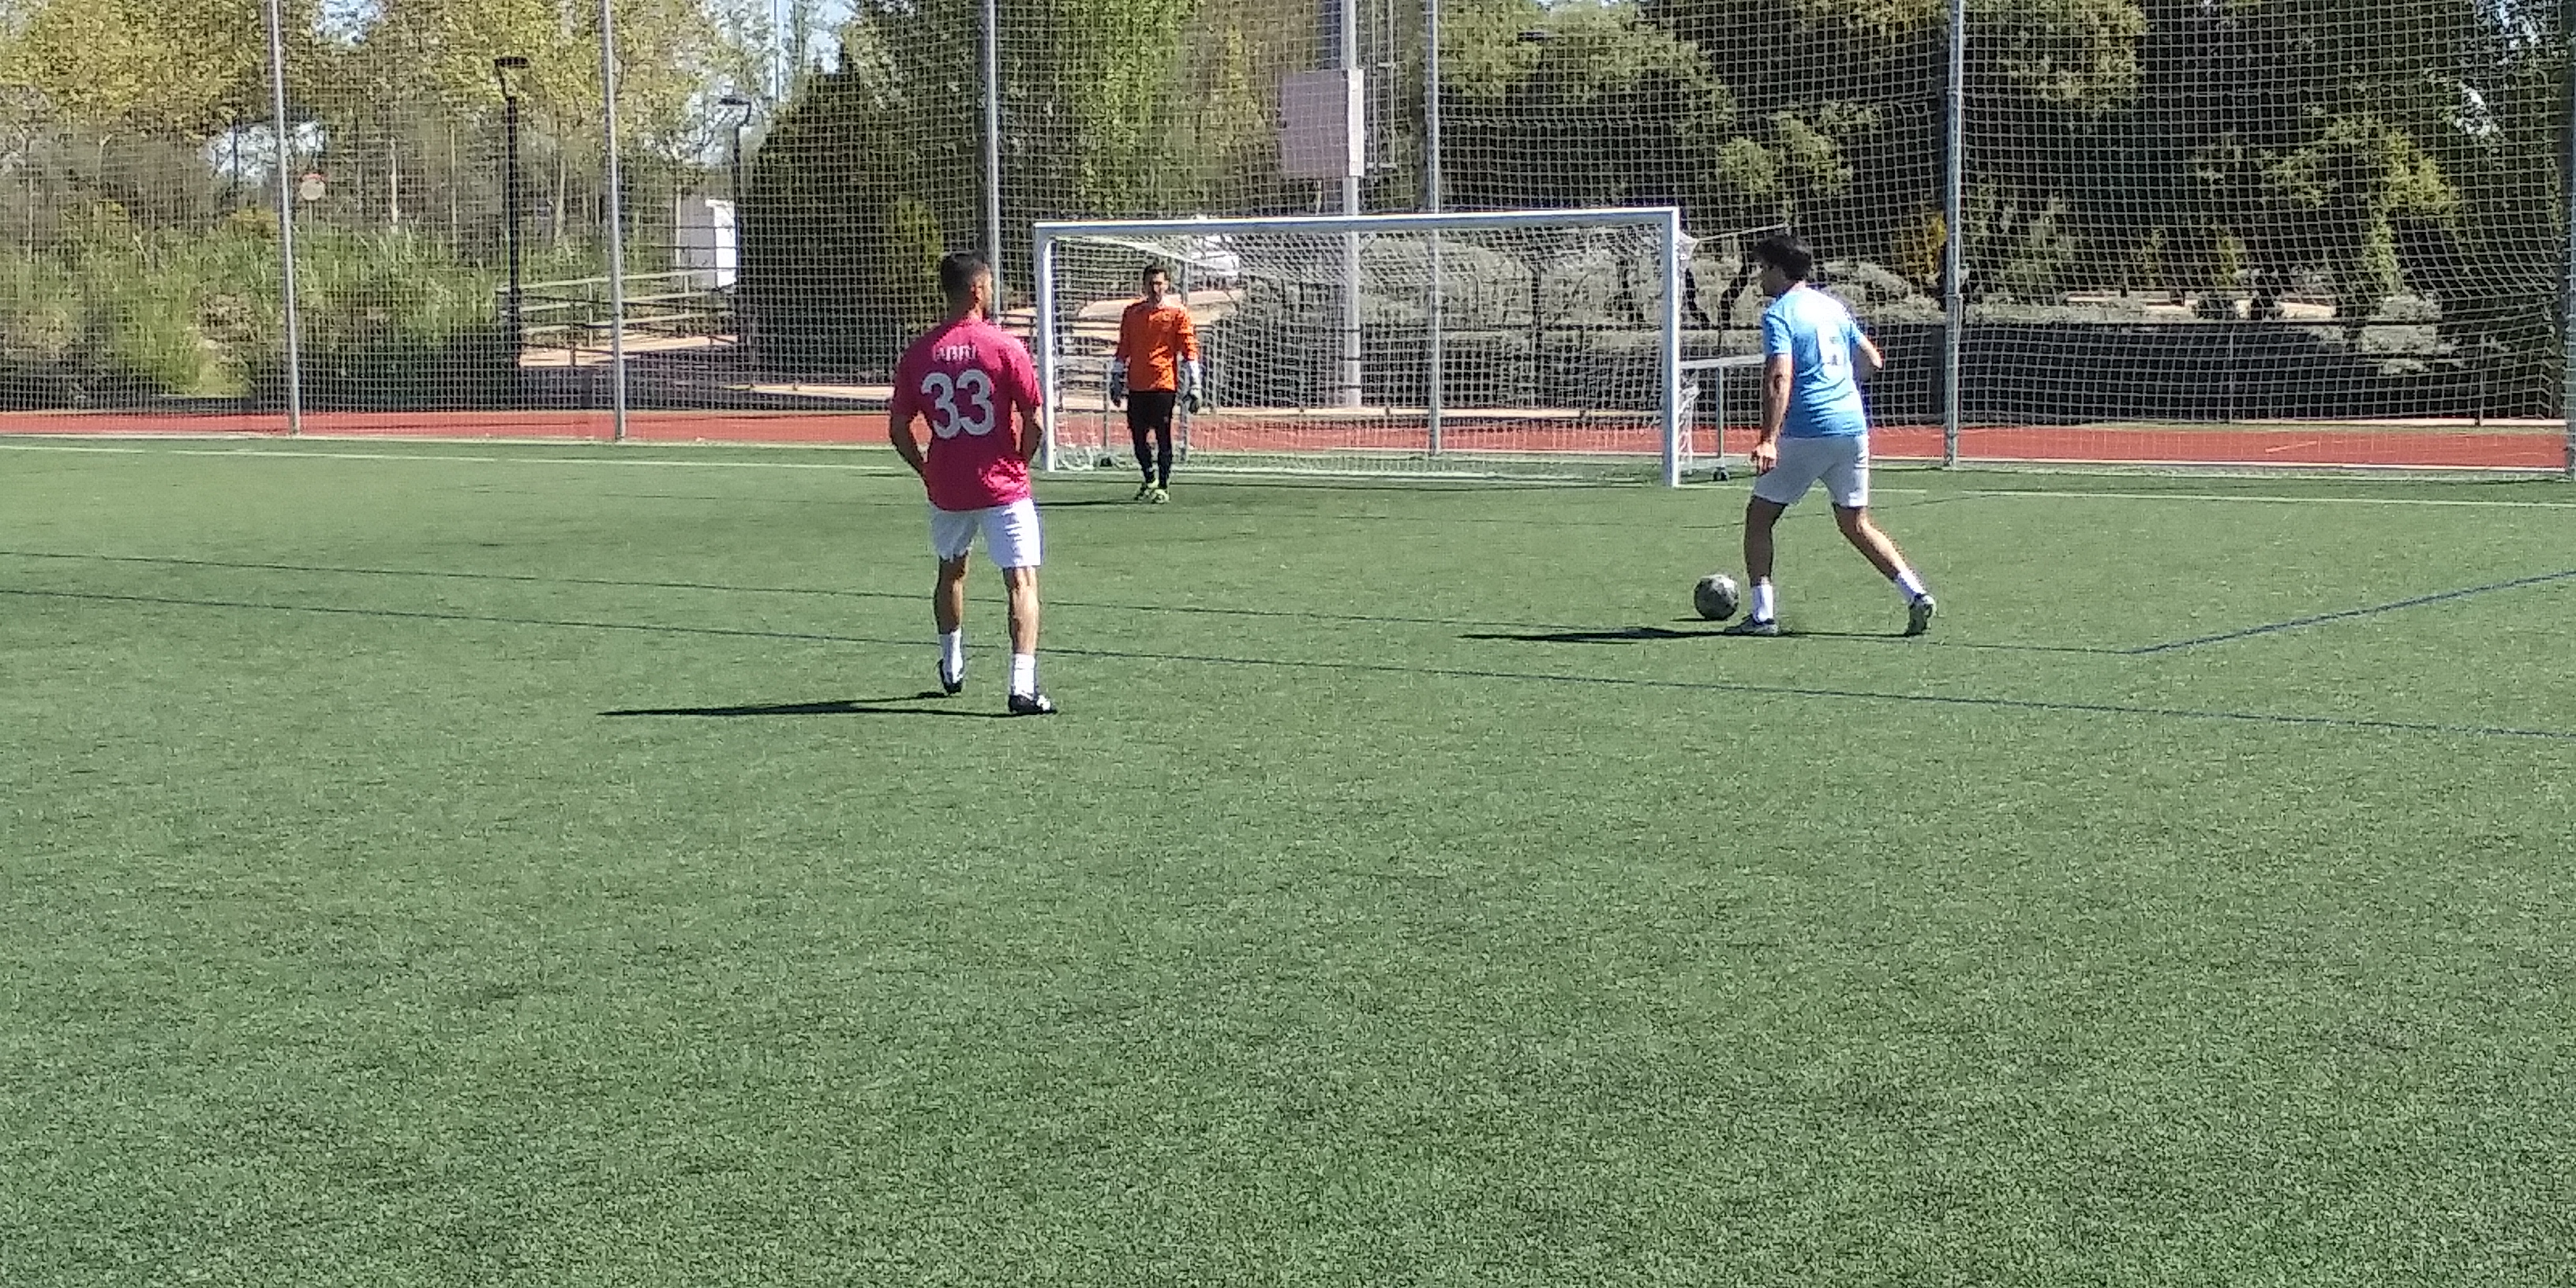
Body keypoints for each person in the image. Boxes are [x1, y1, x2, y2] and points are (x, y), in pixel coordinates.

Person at [1727, 233, 1936, 638]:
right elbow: (1872, 360)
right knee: (1856, 523)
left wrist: (1768, 438)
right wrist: (1838, 387)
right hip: (1852, 428)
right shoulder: (1832, 306)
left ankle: (1763, 615)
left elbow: (1779, 377)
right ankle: (1915, 593)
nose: (1760, 278)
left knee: (1759, 518)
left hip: (1807, 431)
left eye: (1763, 269)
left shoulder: (1779, 315)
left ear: (1778, 270)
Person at [888, 251, 1057, 715]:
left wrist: (926, 469)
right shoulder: (1004, 346)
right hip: (1003, 485)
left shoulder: (920, 353)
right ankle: (1022, 687)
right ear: (978, 290)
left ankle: (951, 663)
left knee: (951, 572)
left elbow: (899, 429)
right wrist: (1019, 461)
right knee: (1021, 581)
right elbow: (1034, 420)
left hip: (949, 487)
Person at [1107, 263, 1202, 504]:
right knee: (1138, 437)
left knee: (1163, 435)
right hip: (1137, 384)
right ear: (1143, 285)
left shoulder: (1178, 313)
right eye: (1150, 283)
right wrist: (1116, 378)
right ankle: (1149, 478)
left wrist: (1195, 384)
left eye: (1159, 283)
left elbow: (1189, 349)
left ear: (1167, 285)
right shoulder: (1132, 313)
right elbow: (1124, 347)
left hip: (1163, 384)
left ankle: (1163, 485)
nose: (1155, 288)